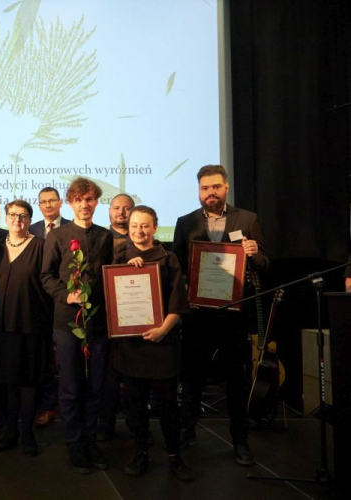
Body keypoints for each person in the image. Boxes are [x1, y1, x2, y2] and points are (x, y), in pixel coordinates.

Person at [172, 164, 269, 466]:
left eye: (215, 187)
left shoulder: (247, 219)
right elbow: (176, 268)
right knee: (191, 377)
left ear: (226, 187)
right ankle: (187, 433)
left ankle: (240, 440)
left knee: (236, 379)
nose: (210, 192)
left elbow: (265, 263)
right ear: (198, 190)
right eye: (204, 188)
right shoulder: (185, 222)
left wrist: (254, 254)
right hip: (197, 313)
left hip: (233, 313)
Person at [113, 206, 194, 481]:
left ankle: (175, 457)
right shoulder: (119, 258)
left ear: (155, 227)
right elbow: (111, 298)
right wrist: (125, 270)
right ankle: (140, 454)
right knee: (135, 407)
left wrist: (162, 330)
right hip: (132, 347)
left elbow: (178, 303)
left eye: (145, 226)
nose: (139, 231)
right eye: (134, 225)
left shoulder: (168, 259)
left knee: (168, 406)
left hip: (162, 345)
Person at [41, 177, 114, 474]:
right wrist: (65, 295)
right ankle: (74, 444)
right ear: (70, 202)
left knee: (95, 386)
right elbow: (47, 276)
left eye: (90, 199)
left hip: (98, 323)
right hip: (67, 322)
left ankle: (90, 440)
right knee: (71, 387)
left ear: (96, 202)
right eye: (79, 199)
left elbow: (109, 276)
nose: (85, 204)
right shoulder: (57, 235)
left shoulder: (105, 236)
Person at [0, 200, 51, 456]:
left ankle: (27, 432)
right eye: (13, 215)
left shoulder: (41, 246)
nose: (18, 220)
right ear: (5, 218)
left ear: (30, 220)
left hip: (31, 325)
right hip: (2, 327)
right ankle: (10, 431)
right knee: (8, 382)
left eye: (24, 215)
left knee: (29, 382)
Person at [28, 187, 70, 429]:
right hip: (37, 303)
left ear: (60, 202)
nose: (48, 205)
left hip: (64, 301)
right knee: (43, 359)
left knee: (64, 360)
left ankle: (61, 406)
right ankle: (44, 404)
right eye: (43, 202)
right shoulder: (31, 229)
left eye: (52, 200)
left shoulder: (70, 227)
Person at [98, 193, 135, 440]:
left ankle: (136, 424)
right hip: (105, 316)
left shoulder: (144, 239)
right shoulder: (99, 238)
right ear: (109, 211)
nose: (121, 212)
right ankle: (105, 423)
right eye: (116, 208)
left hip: (135, 315)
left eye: (126, 208)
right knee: (107, 375)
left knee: (134, 374)